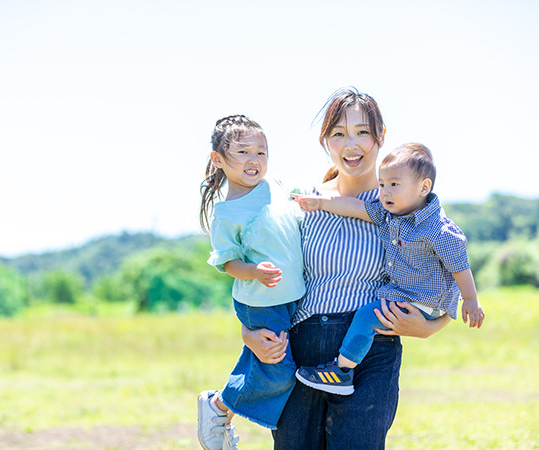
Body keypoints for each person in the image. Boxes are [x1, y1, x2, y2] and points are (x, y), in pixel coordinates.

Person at [240, 87, 452, 449]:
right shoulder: (303, 200)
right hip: (299, 349)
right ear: (326, 141)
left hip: (371, 352)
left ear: (380, 137)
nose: (350, 144)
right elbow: (268, 275)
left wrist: (434, 325)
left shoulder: (403, 203)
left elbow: (444, 268)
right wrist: (249, 333)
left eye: (362, 132)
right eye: (338, 133)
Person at [292, 142, 485, 395]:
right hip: (408, 297)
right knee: (370, 317)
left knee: (366, 317)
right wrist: (321, 203)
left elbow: (459, 265)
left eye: (394, 184)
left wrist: (470, 300)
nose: (385, 192)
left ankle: (340, 371)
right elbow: (358, 208)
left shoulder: (437, 229)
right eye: (382, 185)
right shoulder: (389, 215)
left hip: (421, 301)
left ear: (423, 187)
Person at [196, 115, 305, 450]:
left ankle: (221, 407)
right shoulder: (227, 213)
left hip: (292, 296)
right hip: (260, 299)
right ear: (218, 159)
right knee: (278, 368)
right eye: (243, 152)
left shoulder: (278, 187)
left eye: (261, 152)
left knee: (269, 360)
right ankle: (219, 407)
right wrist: (255, 271)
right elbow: (228, 263)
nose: (254, 160)